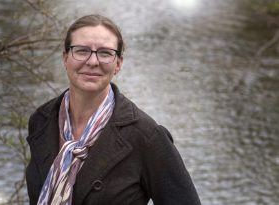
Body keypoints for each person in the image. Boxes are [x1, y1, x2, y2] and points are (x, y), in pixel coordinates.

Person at [26, 14, 201, 205]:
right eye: (82, 50)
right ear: (65, 57)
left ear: (118, 63)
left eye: (105, 53)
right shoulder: (42, 120)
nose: (93, 61)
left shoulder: (146, 136)